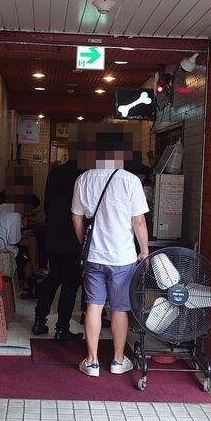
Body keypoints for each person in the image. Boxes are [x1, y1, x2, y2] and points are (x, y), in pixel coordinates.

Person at [72, 136, 149, 378]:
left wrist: (85, 244)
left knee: (93, 306)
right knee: (120, 309)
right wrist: (144, 250)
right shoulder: (130, 180)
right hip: (123, 257)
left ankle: (92, 362)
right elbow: (138, 220)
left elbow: (76, 218)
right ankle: (117, 360)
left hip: (94, 256)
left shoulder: (84, 179)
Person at [32, 160, 84, 341]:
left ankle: (39, 321)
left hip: (53, 236)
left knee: (53, 279)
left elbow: (47, 206)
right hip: (74, 237)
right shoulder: (85, 175)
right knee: (70, 285)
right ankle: (62, 329)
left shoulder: (55, 173)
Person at [0, 193, 43, 293]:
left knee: (31, 242)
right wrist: (23, 235)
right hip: (2, 252)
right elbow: (14, 241)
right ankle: (31, 280)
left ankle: (36, 275)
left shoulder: (3, 206)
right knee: (30, 248)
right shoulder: (15, 215)